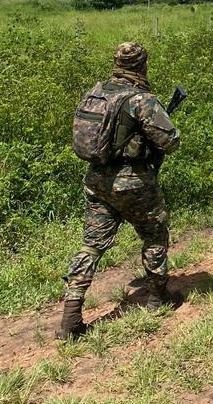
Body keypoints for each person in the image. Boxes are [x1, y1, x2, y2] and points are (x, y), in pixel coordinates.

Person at [58, 42, 181, 340]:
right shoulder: (141, 99)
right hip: (133, 182)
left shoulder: (97, 93)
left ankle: (71, 316)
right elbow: (170, 142)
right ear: (141, 65)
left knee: (92, 245)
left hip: (97, 181)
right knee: (154, 234)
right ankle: (157, 297)